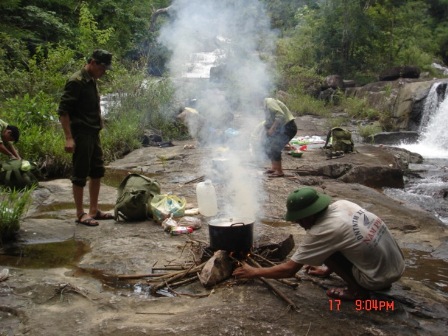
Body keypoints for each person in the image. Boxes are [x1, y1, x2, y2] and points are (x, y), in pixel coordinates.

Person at [233, 187, 405, 301]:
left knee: (328, 251)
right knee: (340, 243)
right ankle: (375, 278)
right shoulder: (342, 204)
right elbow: (347, 240)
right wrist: (329, 270)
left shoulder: (323, 230)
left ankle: (357, 292)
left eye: (299, 221)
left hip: (377, 278)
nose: (299, 225)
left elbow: (290, 270)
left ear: (309, 215)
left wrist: (254, 271)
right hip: (396, 266)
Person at [58, 49, 114, 227]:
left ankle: (94, 210)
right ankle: (80, 213)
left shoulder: (92, 80)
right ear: (93, 62)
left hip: (93, 132)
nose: (104, 72)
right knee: (80, 173)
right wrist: (68, 138)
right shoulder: (77, 81)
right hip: (81, 134)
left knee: (97, 170)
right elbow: (63, 111)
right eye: (103, 68)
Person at [262, 98, 297, 177]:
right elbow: (269, 121)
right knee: (268, 144)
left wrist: (272, 129)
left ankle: (279, 171)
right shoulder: (266, 106)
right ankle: (274, 168)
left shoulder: (269, 102)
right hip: (281, 129)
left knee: (275, 147)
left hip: (288, 127)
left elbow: (280, 115)